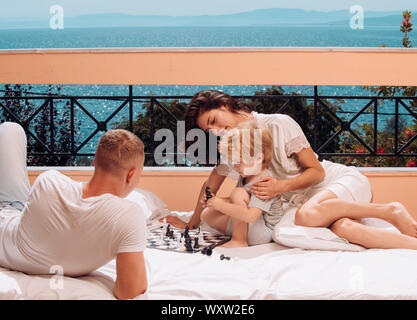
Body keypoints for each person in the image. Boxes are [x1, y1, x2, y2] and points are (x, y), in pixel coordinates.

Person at [166, 90, 417, 250]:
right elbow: (211, 186)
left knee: (306, 215)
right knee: (344, 230)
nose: (216, 130)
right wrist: (192, 223)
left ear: (224, 104)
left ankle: (390, 210)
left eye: (213, 121)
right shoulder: (234, 144)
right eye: (209, 131)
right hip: (308, 204)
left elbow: (316, 172)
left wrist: (281, 186)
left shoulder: (277, 124)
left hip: (333, 183)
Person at [0, 122, 148, 299]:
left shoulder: (49, 181)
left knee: (11, 130)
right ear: (131, 175)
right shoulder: (128, 217)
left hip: (9, 214)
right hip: (16, 212)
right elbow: (129, 291)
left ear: (94, 161)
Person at [205, 121, 289, 248]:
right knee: (207, 213)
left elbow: (251, 216)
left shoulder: (265, 181)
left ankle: (239, 240)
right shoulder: (246, 174)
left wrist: (221, 205)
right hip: (252, 225)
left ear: (258, 158)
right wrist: (216, 201)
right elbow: (239, 202)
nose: (235, 165)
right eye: (233, 161)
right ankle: (238, 233)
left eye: (239, 161)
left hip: (263, 231)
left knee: (237, 193)